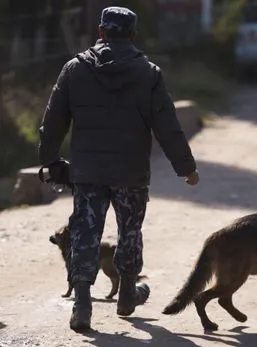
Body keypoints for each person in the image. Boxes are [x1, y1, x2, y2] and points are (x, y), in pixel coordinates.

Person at [38, 6, 199, 332]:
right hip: (131, 173)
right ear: (132, 35)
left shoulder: (74, 69)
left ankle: (82, 304)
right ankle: (126, 295)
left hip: (87, 172)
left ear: (101, 33)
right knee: (130, 232)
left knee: (85, 233)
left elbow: (52, 121)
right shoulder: (148, 73)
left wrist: (50, 160)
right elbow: (167, 125)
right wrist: (186, 168)